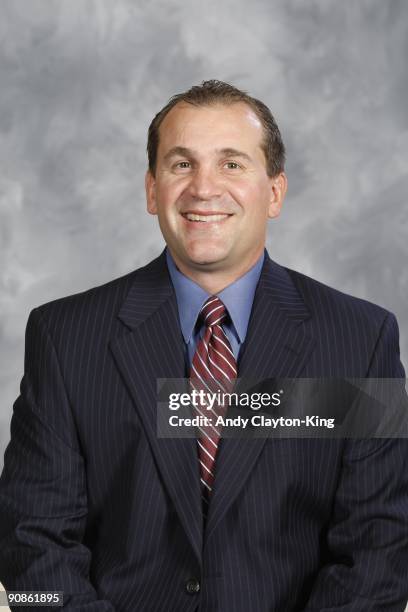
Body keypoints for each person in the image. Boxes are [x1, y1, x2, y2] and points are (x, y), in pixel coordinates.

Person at [0, 79, 407, 611]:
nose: (203, 188)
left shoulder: (361, 339)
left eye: (232, 164)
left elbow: (381, 553)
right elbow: (31, 552)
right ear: (152, 190)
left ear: (275, 192)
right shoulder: (64, 337)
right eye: (181, 164)